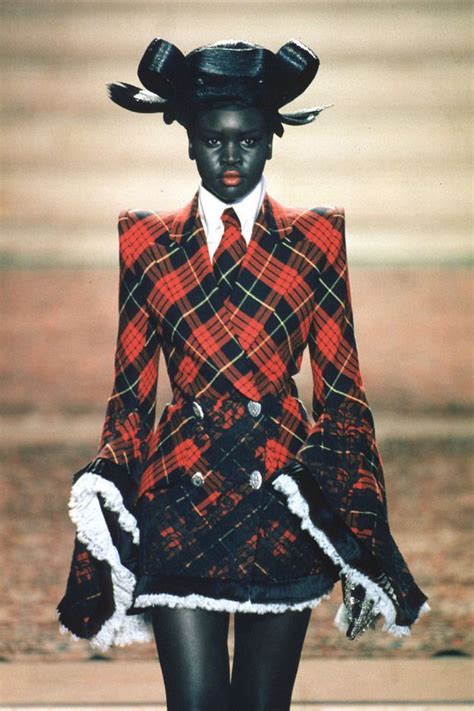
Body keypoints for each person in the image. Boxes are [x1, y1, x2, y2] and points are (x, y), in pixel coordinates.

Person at [58, 38, 429, 710]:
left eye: (248, 140)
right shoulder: (144, 243)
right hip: (178, 498)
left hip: (280, 500)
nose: (231, 156)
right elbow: (131, 396)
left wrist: (360, 529)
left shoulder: (317, 239)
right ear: (191, 144)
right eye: (213, 140)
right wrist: (106, 490)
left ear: (271, 143)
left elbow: (343, 394)